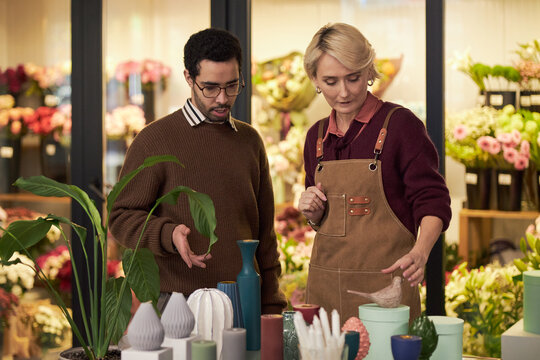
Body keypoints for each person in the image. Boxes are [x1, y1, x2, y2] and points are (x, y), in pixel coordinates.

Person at [109, 28, 286, 314]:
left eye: (232, 86)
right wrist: (167, 234)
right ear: (189, 78)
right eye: (211, 87)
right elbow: (121, 217)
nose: (222, 99)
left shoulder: (249, 140)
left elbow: (264, 233)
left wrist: (272, 305)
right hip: (176, 302)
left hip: (244, 299)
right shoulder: (154, 139)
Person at [298, 23, 451, 322]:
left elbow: (433, 200)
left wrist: (420, 253)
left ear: (369, 71)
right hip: (324, 290)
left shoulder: (401, 125)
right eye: (330, 81)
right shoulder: (315, 137)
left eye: (353, 78)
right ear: (314, 80)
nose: (343, 92)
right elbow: (323, 221)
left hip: (386, 291)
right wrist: (313, 212)